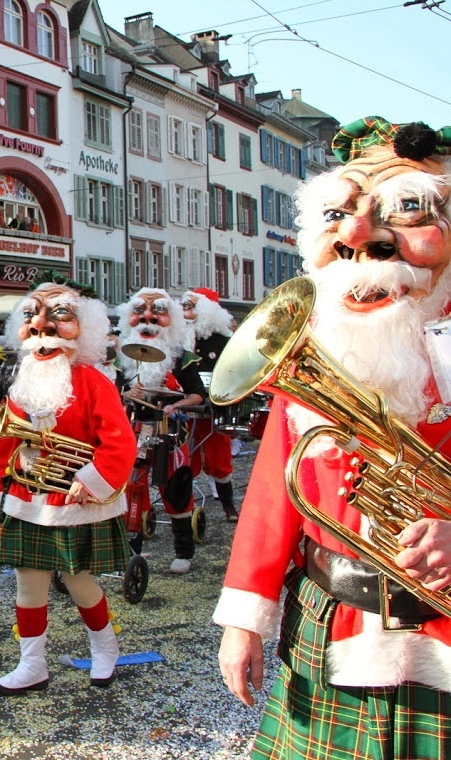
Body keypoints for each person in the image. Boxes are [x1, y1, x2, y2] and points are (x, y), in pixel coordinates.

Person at [216, 118, 451, 759]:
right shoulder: (317, 349)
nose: (360, 244)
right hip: (328, 621)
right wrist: (245, 618)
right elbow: (274, 492)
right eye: (345, 243)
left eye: (387, 241)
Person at [0, 278, 138, 694]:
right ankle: (31, 663)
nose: (43, 333)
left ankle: (105, 649)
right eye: (34, 327)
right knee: (27, 582)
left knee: (79, 582)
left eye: (55, 324)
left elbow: (120, 442)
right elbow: (5, 442)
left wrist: (90, 480)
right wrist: (1, 488)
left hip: (75, 497)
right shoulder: (22, 380)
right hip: (29, 496)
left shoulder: (93, 380)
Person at [116, 288, 206, 574]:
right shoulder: (122, 357)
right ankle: (131, 553)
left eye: (158, 313)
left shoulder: (183, 357)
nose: (148, 318)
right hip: (135, 430)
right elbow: (113, 393)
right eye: (141, 312)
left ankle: (183, 551)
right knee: (132, 489)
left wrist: (176, 402)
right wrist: (127, 393)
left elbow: (198, 396)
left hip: (170, 429)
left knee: (176, 490)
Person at [180, 287, 238, 522]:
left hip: (214, 406)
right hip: (185, 407)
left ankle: (228, 505)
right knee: (185, 459)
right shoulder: (179, 338)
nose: (186, 312)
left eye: (191, 307)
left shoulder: (223, 340)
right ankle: (185, 506)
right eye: (184, 306)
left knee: (220, 459)